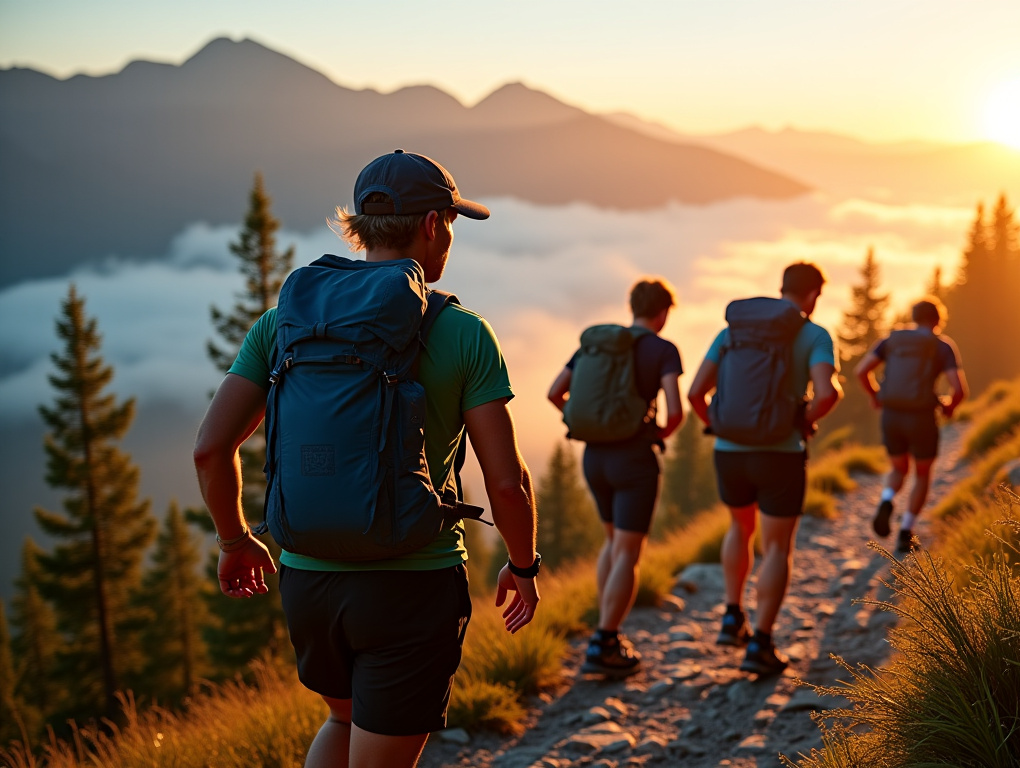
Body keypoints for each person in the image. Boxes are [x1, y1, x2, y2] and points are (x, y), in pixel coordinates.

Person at [193, 149, 541, 768]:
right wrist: (523, 563)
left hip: (309, 578)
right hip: (411, 584)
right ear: (433, 225)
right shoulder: (463, 332)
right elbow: (506, 479)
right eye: (452, 224)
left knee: (342, 718)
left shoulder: (283, 323)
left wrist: (234, 541)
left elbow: (210, 448)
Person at [687, 262, 841, 675]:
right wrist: (804, 419)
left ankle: (731, 616)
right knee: (777, 547)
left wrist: (717, 425)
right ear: (813, 295)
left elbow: (696, 392)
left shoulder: (732, 331)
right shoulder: (814, 335)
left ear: (782, 288)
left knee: (740, 529)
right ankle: (761, 643)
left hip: (729, 452)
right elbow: (827, 393)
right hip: (780, 454)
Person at [546, 278, 684, 678]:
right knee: (629, 551)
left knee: (612, 542)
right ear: (663, 313)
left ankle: (604, 630)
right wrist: (654, 434)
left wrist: (595, 423)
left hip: (594, 457)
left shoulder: (600, 344)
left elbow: (556, 394)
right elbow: (674, 411)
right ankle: (606, 640)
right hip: (634, 461)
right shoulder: (662, 350)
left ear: (633, 307)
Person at [853, 296, 966, 553]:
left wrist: (875, 396)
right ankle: (906, 530)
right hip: (922, 417)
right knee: (922, 474)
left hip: (892, 415)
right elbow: (959, 389)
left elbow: (862, 371)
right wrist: (949, 407)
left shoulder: (891, 340)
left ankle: (886, 500)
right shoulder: (942, 346)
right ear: (938, 320)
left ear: (914, 317)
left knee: (898, 467)